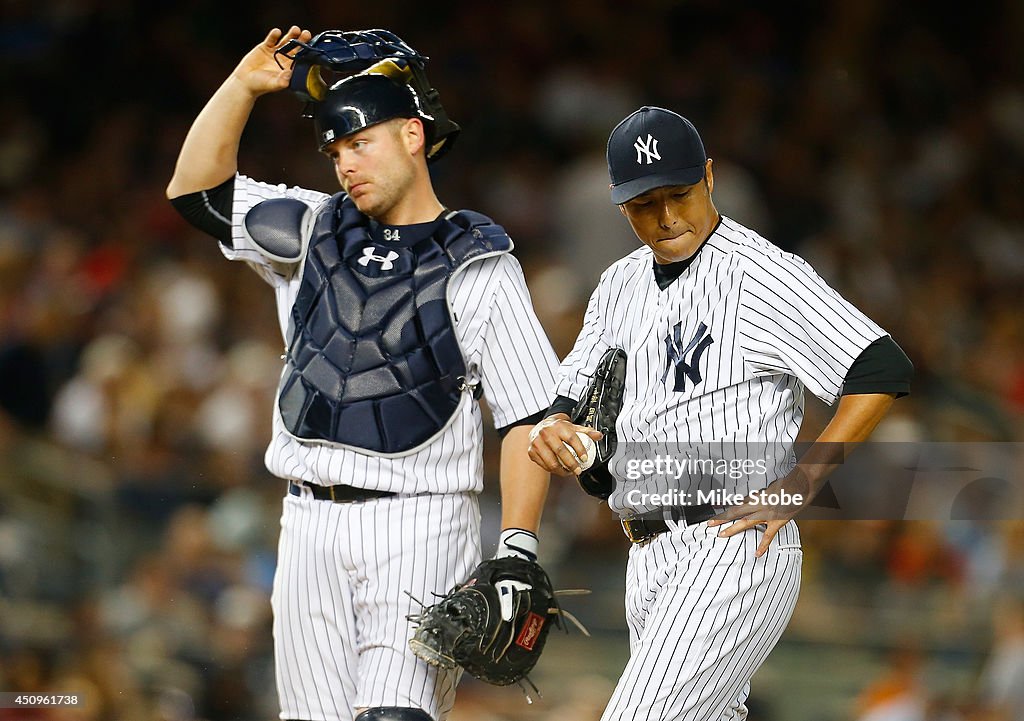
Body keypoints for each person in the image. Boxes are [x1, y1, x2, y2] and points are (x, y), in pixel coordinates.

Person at [166, 26, 558, 721]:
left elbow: (528, 416)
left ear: (412, 134)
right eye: (337, 150)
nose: (346, 163)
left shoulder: (480, 262)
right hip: (307, 522)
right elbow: (196, 193)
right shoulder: (313, 226)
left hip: (421, 523)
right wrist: (242, 86)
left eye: (361, 142)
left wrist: (519, 546)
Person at [528, 106, 913, 720]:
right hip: (645, 549)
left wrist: (801, 484)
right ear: (619, 204)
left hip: (731, 545)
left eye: (679, 194)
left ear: (708, 176)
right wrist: (555, 433)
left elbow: (880, 370)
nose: (666, 216)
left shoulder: (762, 273)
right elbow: (567, 403)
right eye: (644, 203)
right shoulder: (617, 285)